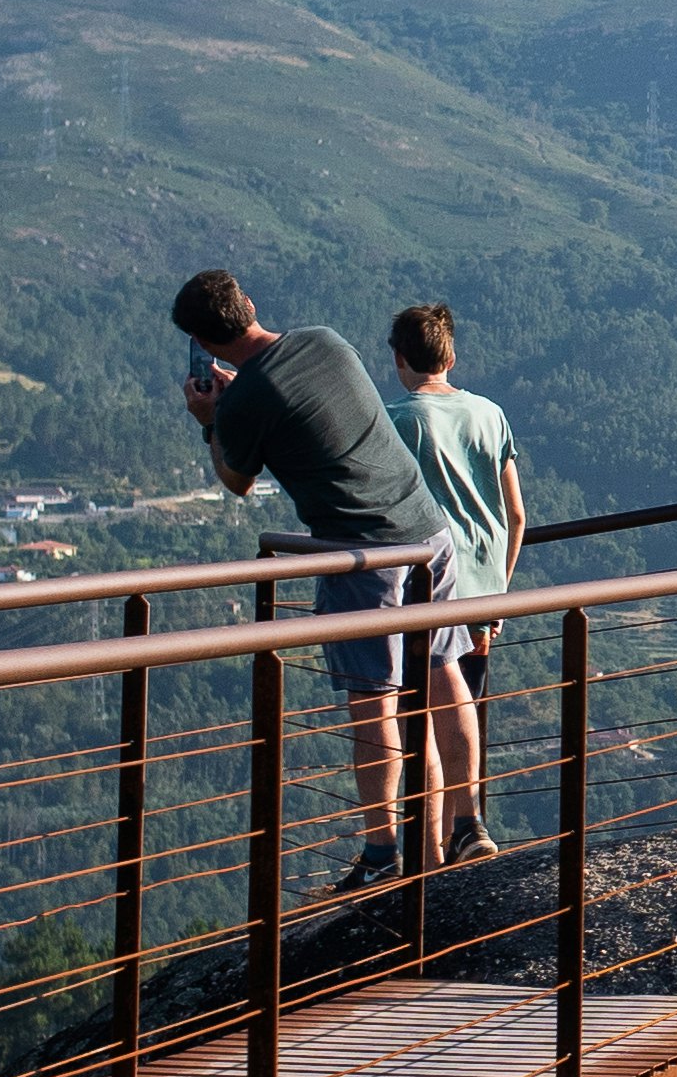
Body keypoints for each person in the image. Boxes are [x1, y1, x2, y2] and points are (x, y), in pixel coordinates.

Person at [170, 269, 486, 887]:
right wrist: (241, 400)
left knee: (375, 700)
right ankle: (468, 825)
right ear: (250, 306)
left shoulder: (240, 403)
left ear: (204, 346)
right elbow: (300, 397)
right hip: (430, 531)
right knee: (444, 669)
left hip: (365, 556)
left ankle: (383, 851)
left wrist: (210, 417)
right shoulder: (325, 339)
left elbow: (235, 480)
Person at [384, 301, 523, 856]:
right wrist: (498, 591)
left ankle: (432, 854)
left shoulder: (398, 422)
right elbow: (516, 515)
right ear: (451, 355)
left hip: (426, 594)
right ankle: (464, 832)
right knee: (461, 712)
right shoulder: (490, 414)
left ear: (398, 360)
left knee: (424, 723)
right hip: (482, 596)